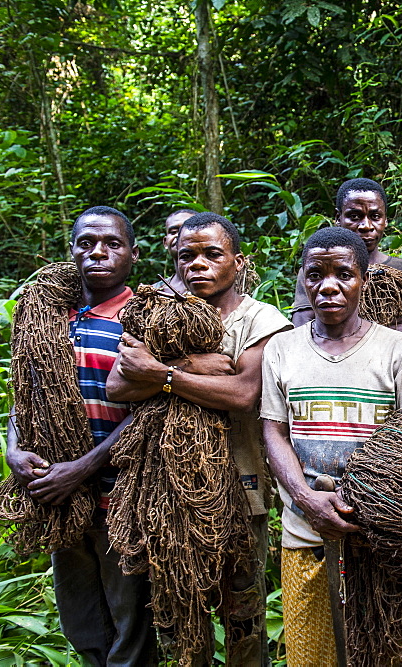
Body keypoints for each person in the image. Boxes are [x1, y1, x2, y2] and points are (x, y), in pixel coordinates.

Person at [106, 212, 290, 666]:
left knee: (243, 618)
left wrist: (161, 372)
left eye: (212, 254)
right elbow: (119, 386)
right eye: (187, 256)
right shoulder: (156, 315)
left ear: (238, 261)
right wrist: (191, 370)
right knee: (179, 621)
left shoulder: (260, 319)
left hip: (239, 489)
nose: (198, 265)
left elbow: (244, 394)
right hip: (164, 492)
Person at [262, 227, 402, 666]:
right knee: (315, 655)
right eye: (315, 274)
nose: (328, 286)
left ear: (363, 280)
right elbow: (274, 432)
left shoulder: (395, 348)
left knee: (393, 653)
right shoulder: (282, 349)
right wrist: (307, 499)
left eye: (343, 273)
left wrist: (373, 507)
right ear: (302, 280)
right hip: (308, 534)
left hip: (383, 538)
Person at [5, 205, 155, 666]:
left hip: (120, 498)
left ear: (132, 253)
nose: (98, 253)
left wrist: (82, 468)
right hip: (59, 499)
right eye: (86, 243)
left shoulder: (146, 319)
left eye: (112, 244)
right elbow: (24, 392)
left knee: (131, 628)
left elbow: (153, 411)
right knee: (82, 623)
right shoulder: (47, 320)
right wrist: (13, 451)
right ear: (71, 251)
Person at [290, 178, 402, 348]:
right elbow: (303, 330)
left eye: (375, 216)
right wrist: (384, 322)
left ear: (385, 220)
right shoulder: (317, 270)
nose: (366, 226)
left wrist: (337, 324)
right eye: (354, 216)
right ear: (338, 218)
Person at [152, 208, 198, 294]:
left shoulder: (217, 285)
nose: (179, 235)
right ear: (165, 243)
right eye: (173, 232)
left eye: (187, 230)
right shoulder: (154, 291)